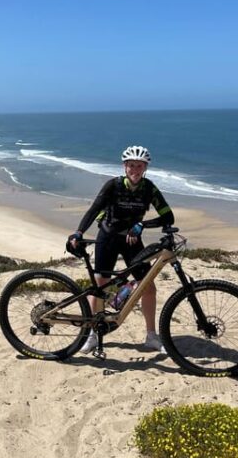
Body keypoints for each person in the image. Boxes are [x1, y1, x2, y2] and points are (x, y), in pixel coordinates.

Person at [68, 145, 175, 354]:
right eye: (131, 165)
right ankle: (92, 335)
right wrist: (79, 232)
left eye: (140, 166)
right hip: (107, 238)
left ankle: (151, 336)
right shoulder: (113, 185)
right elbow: (94, 210)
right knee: (100, 287)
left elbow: (168, 216)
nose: (135, 169)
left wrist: (143, 224)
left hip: (132, 242)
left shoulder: (149, 188)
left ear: (145, 167)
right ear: (124, 166)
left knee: (148, 286)